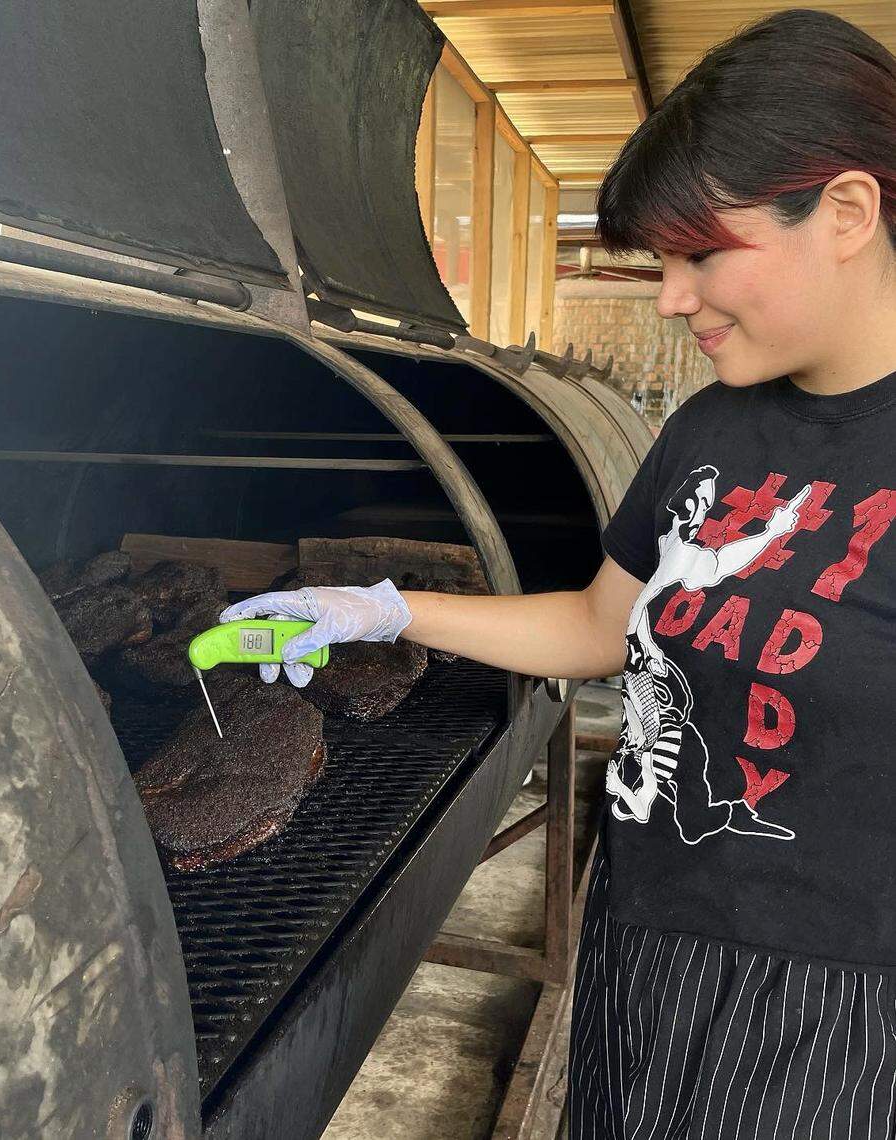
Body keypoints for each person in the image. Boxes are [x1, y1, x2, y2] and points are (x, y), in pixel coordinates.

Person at [222, 8, 896, 1136]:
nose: (671, 297)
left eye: (701, 253)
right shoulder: (712, 429)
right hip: (644, 943)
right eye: (662, 262)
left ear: (846, 212)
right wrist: (381, 610)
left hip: (841, 1007)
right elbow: (599, 628)